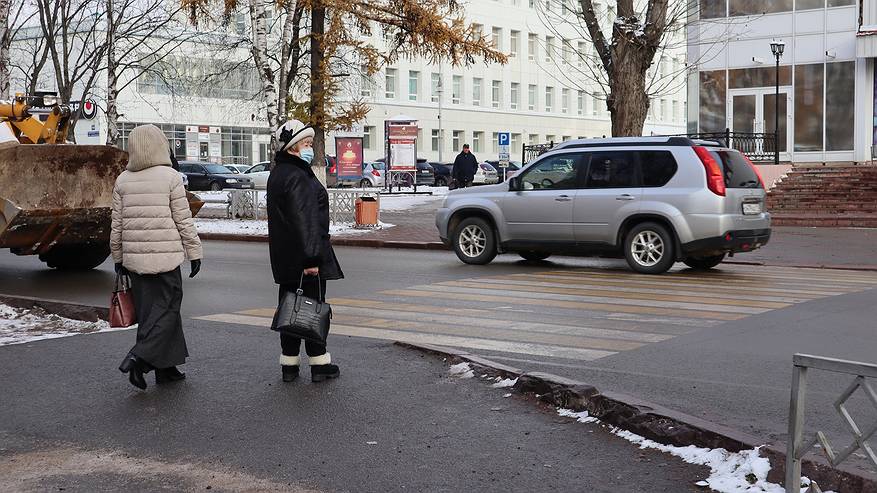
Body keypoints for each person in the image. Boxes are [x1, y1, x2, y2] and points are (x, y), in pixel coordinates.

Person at [112, 124, 203, 391]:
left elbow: (116, 225)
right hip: (166, 261)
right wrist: (194, 252)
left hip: (135, 263)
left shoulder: (122, 180)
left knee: (150, 314)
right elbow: (183, 220)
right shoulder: (170, 177)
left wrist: (118, 258)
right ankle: (138, 359)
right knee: (168, 310)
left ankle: (167, 369)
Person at [267, 119, 343, 383]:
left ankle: (289, 366)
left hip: (286, 257)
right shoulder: (298, 176)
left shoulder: (279, 173)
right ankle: (319, 365)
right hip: (305, 257)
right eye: (307, 144)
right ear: (292, 147)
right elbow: (305, 221)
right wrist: (312, 258)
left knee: (291, 308)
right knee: (311, 310)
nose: (310, 148)